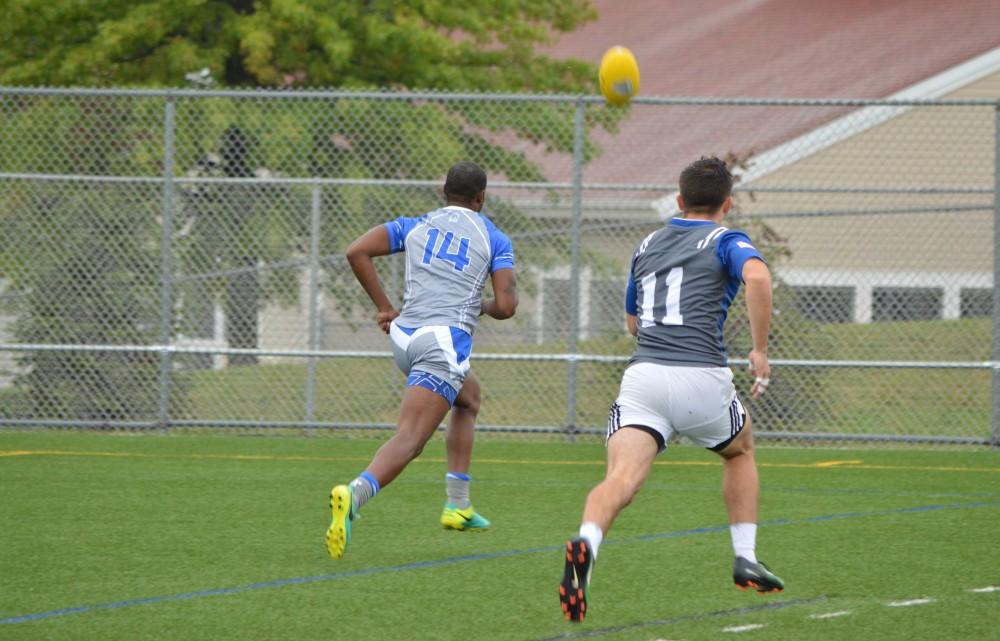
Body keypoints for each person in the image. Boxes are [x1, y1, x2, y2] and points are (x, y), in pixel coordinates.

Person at [558, 156, 785, 622]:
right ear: (728, 204)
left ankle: (587, 542)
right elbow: (758, 277)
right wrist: (760, 350)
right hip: (701, 375)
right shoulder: (727, 239)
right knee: (739, 450)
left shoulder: (647, 244)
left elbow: (632, 322)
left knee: (619, 480)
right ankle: (745, 555)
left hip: (645, 378)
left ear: (679, 202)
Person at [327, 161, 517, 560]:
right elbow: (506, 305)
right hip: (441, 344)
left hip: (405, 338)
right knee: (411, 439)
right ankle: (355, 493)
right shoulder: (494, 238)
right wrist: (478, 305)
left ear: (442, 191)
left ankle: (458, 505)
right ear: (481, 198)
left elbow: (356, 251)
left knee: (469, 398)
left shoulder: (415, 225)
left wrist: (384, 306)